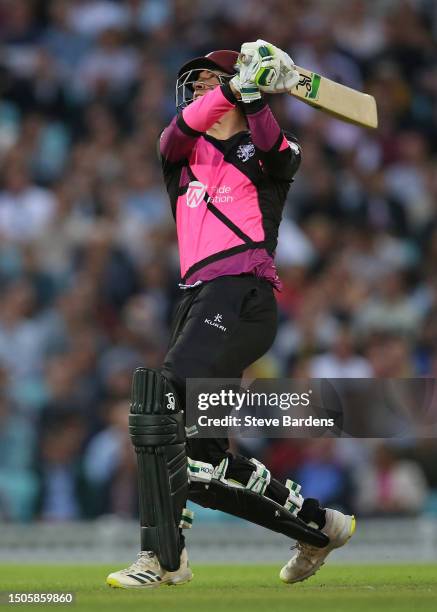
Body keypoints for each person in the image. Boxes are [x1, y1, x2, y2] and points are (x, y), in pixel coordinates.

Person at [106, 40, 355, 590]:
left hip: (241, 297)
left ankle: (162, 558)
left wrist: (256, 98)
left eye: (208, 82)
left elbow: (276, 150)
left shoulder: (270, 152)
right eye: (194, 85)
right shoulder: (180, 155)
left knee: (160, 398)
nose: (198, 91)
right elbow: (174, 135)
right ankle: (319, 526)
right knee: (197, 464)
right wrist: (231, 87)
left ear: (245, 93)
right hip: (196, 300)